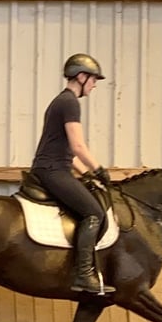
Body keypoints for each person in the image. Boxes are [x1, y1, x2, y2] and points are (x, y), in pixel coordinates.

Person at [30, 53, 115, 295]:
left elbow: (70, 152)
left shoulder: (62, 101)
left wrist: (88, 175)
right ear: (81, 76)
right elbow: (79, 146)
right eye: (93, 79)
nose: (95, 84)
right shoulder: (70, 103)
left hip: (56, 166)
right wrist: (100, 170)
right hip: (52, 170)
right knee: (94, 213)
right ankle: (83, 274)